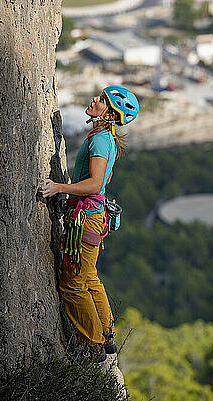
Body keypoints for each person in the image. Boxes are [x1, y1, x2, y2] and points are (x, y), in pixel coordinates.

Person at [40, 85, 140, 361]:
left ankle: (94, 346)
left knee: (72, 284)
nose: (94, 99)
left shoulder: (100, 140)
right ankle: (106, 335)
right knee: (89, 276)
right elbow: (101, 182)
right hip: (94, 216)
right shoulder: (104, 137)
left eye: (101, 99)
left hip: (87, 218)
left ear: (109, 111)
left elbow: (95, 183)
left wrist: (59, 188)